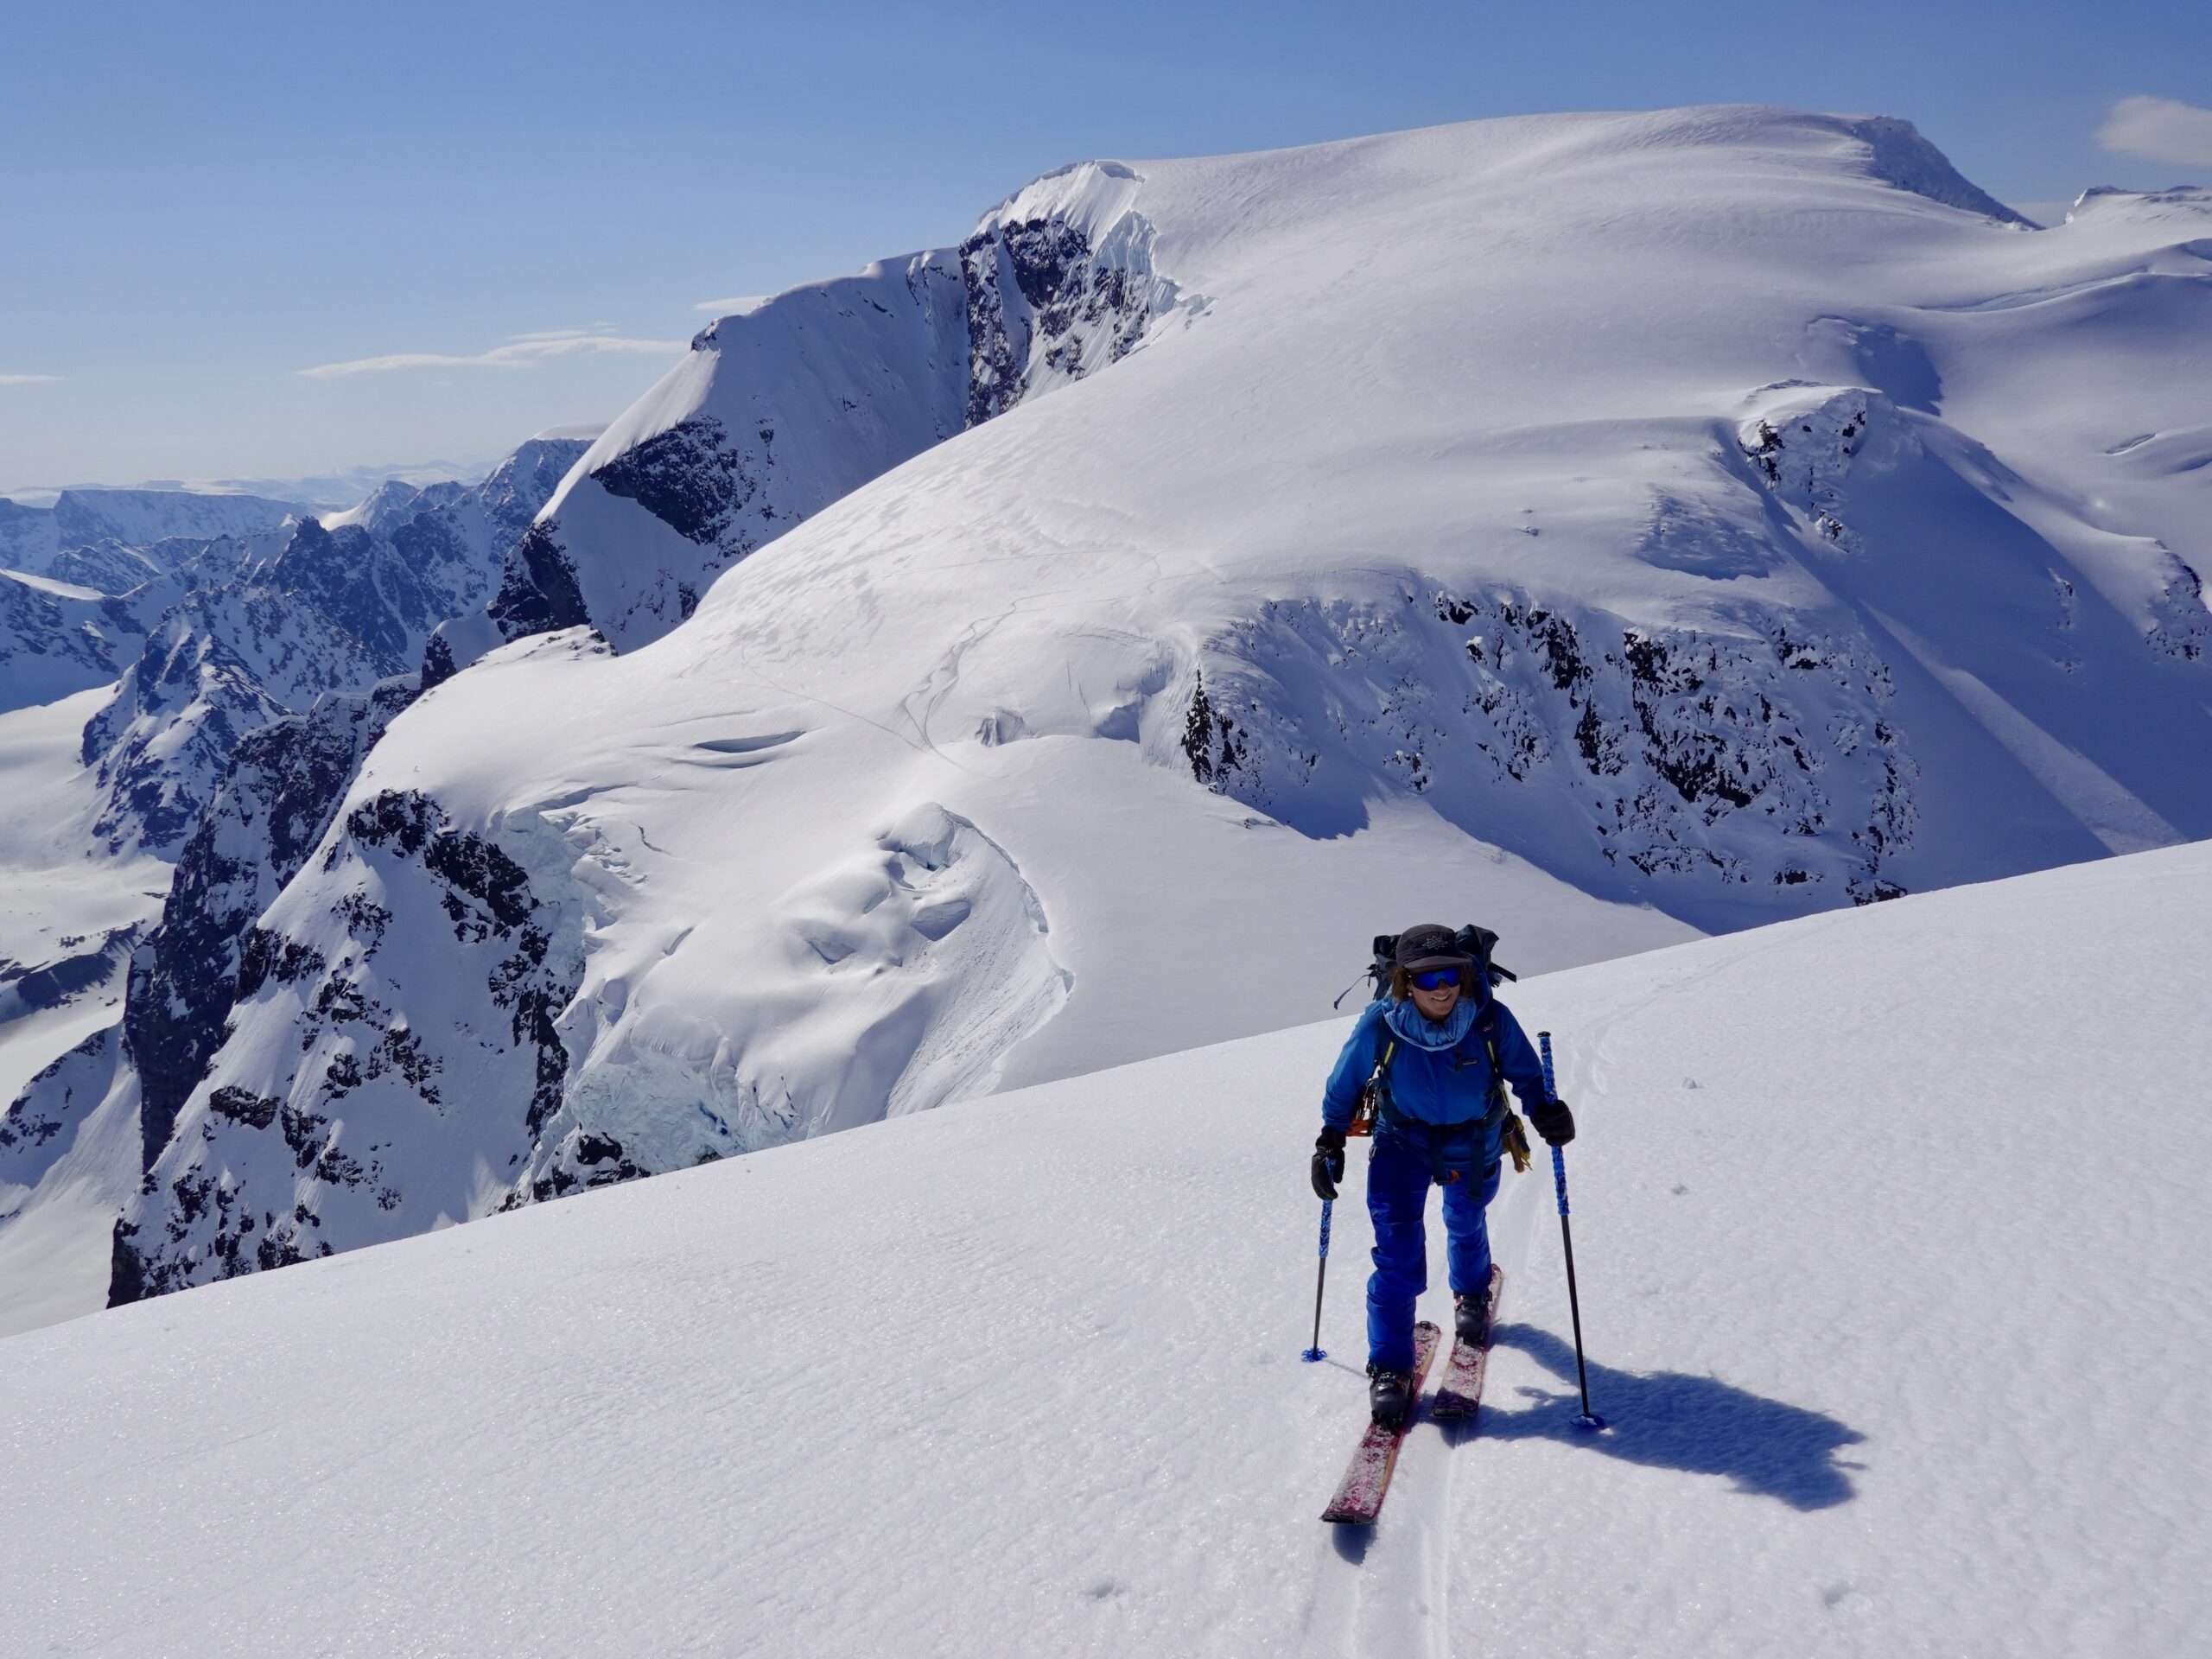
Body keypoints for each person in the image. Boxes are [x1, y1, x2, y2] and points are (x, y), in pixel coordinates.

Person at [1311, 923, 1575, 1427]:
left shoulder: (1490, 1020)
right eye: (1427, 979)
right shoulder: (1381, 1025)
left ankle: (1472, 1292)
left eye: (1450, 974)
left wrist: (1546, 1110)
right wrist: (1330, 1139)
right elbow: (1344, 1083)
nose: (1442, 988)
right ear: (1404, 982)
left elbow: (1523, 1073)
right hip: (1400, 1144)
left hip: (1472, 1142)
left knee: (1466, 1218)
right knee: (1397, 1258)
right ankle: (1390, 1368)